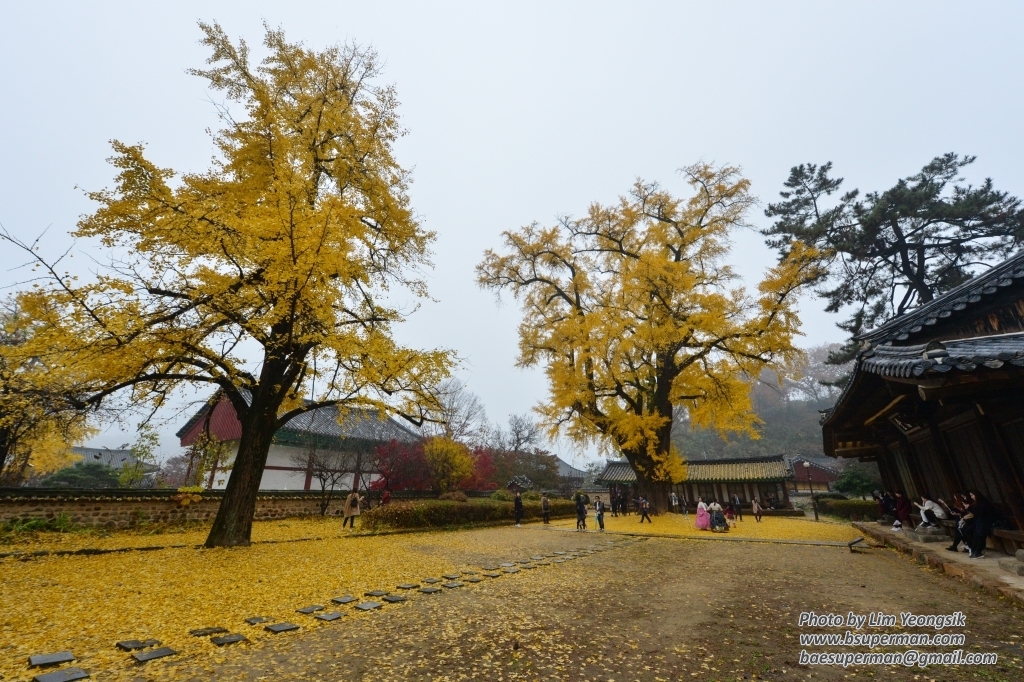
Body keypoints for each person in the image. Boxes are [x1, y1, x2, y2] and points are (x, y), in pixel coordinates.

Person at [966, 491, 993, 559]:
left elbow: (979, 513)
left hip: (983, 522)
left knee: (981, 537)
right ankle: (975, 551)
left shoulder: (983, 503)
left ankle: (977, 552)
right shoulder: (976, 503)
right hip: (978, 522)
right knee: (977, 537)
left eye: (972, 495)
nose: (971, 497)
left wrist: (969, 508)